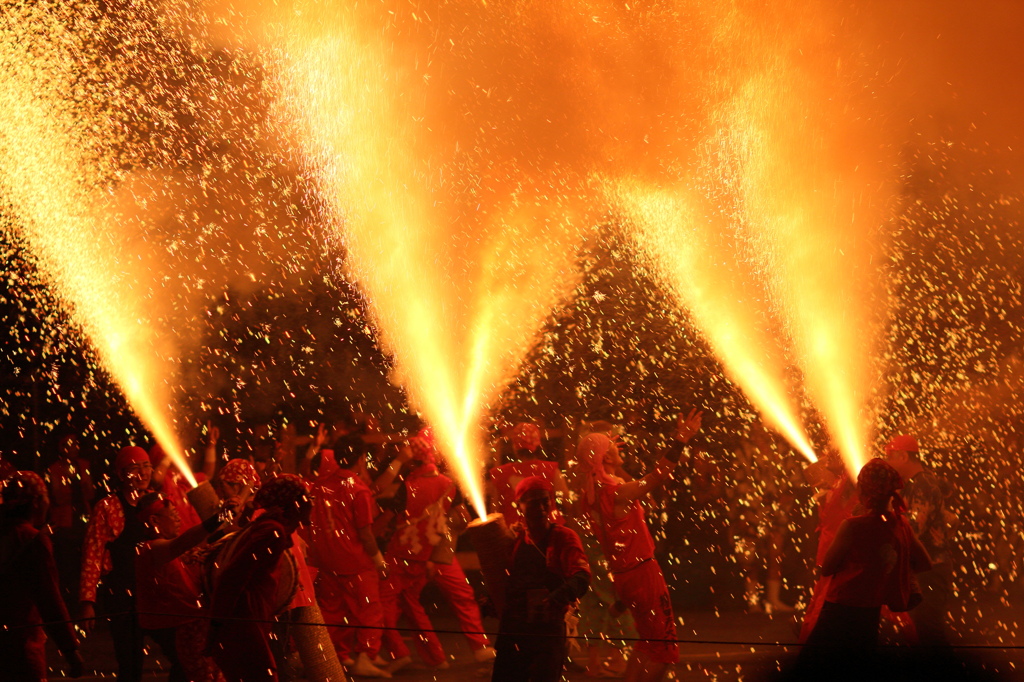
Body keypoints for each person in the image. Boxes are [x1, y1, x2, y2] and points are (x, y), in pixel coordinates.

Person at [576, 410, 702, 682]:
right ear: (606, 457)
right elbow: (659, 474)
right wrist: (681, 440)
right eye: (612, 445)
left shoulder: (592, 495)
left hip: (624, 576)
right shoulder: (617, 492)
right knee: (666, 650)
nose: (618, 445)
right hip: (643, 573)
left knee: (647, 641)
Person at [794, 458, 931, 681]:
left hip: (840, 609)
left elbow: (827, 568)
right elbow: (925, 563)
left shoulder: (852, 526)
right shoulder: (900, 524)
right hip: (871, 610)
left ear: (863, 490)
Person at [79, 445, 182, 682]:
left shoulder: (160, 501)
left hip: (158, 593)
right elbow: (92, 554)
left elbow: (176, 540)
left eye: (146, 466)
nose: (143, 473)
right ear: (121, 473)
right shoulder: (108, 507)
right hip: (123, 595)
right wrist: (87, 600)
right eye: (135, 468)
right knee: (130, 664)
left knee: (182, 655)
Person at [207, 474, 312, 682]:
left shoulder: (271, 527)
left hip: (252, 617)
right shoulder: (272, 531)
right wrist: (217, 624)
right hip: (247, 619)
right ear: (291, 504)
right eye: (303, 500)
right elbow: (232, 577)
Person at [491, 476, 591, 682]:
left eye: (545, 500)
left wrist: (557, 596)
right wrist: (490, 602)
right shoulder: (514, 539)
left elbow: (582, 576)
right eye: (533, 501)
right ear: (520, 505)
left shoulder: (563, 537)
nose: (542, 506)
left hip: (547, 631)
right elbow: (505, 581)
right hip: (513, 630)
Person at [307, 435, 390, 678]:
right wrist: (379, 561)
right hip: (355, 562)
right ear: (361, 459)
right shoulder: (358, 489)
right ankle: (365, 656)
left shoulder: (321, 486)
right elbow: (365, 534)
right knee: (371, 609)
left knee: (334, 612)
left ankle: (329, 658)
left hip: (326, 560)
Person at [135, 492, 229, 682]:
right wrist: (220, 516)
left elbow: (206, 542)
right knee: (198, 675)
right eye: (173, 514)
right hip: (177, 625)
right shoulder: (149, 549)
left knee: (190, 673)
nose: (178, 518)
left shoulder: (171, 549)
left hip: (191, 622)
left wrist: (238, 512)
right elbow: (186, 541)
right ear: (154, 520)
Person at [379, 430, 453, 670]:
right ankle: (437, 657)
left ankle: (399, 653)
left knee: (383, 601)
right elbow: (449, 520)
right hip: (424, 555)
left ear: (414, 458)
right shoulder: (447, 484)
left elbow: (386, 509)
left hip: (401, 553)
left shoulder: (409, 486)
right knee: (412, 604)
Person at [0, 472, 84, 681]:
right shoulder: (32, 540)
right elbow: (50, 599)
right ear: (36, 502)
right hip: (21, 645)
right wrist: (71, 650)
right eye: (46, 496)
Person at [885, 435, 957, 645]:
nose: (888, 462)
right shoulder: (916, 483)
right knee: (920, 627)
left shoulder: (923, 485)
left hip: (930, 569)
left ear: (904, 456)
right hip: (924, 567)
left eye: (890, 456)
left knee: (928, 628)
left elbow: (913, 528)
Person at [489, 422, 568, 527]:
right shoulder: (549, 470)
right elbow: (566, 500)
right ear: (538, 444)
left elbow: (494, 510)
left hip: (514, 531)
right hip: (547, 530)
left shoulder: (501, 473)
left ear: (515, 446)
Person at [47, 433, 95, 607]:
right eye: (69, 444)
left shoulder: (83, 465)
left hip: (82, 518)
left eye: (75, 443)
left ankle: (83, 601)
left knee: (84, 561)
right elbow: (58, 497)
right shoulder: (55, 469)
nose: (74, 447)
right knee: (67, 563)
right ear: (61, 448)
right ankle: (67, 602)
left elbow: (90, 493)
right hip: (65, 522)